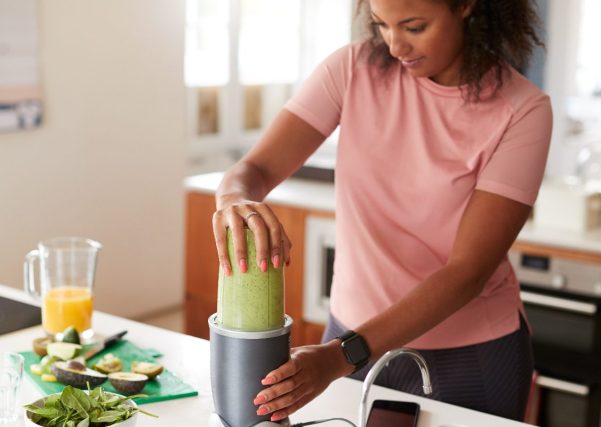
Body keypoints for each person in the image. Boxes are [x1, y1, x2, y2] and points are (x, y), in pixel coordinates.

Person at [212, 0, 552, 423]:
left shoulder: (523, 110)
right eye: (381, 25)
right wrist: (234, 199)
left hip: (467, 356)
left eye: (413, 26)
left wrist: (339, 358)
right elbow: (255, 169)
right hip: (350, 340)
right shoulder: (351, 70)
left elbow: (467, 272)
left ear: (466, 5)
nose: (395, 46)